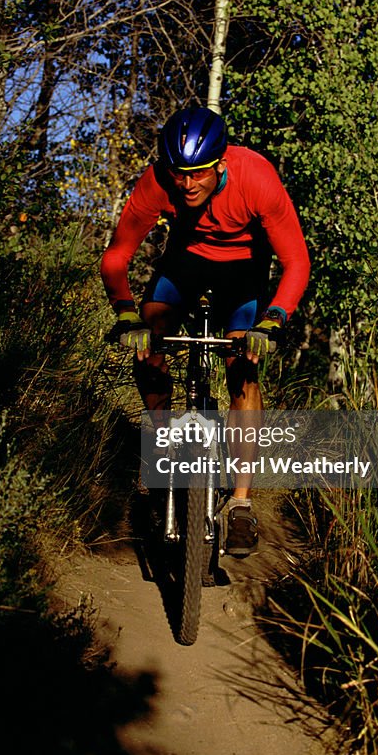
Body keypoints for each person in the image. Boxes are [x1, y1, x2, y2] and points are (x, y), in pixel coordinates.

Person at [100, 106, 310, 557]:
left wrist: (273, 320)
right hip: (186, 263)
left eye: (198, 174)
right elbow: (116, 258)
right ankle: (160, 441)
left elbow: (296, 262)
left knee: (243, 368)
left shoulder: (257, 178)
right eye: (180, 174)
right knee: (150, 337)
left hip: (243, 273)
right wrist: (125, 315)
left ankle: (240, 502)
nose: (187, 184)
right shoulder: (158, 182)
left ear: (219, 164)